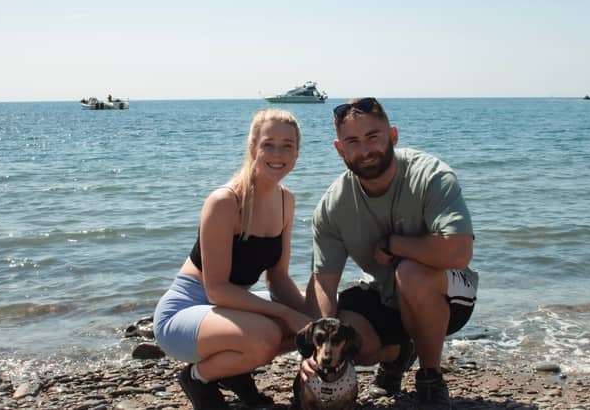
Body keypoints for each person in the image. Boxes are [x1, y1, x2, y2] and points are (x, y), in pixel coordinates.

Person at [304, 97, 478, 408]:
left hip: (447, 294)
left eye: (373, 137)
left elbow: (459, 251)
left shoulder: (430, 175)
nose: (365, 150)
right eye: (353, 141)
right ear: (340, 149)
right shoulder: (332, 206)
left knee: (410, 272)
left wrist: (395, 244)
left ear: (393, 136)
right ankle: (399, 354)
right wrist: (317, 347)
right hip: (384, 295)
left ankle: (430, 376)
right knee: (345, 335)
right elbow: (323, 283)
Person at [154, 109, 312, 410]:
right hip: (184, 312)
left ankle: (233, 370)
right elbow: (216, 290)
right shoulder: (225, 201)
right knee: (266, 335)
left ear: (297, 152)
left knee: (313, 321)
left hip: (231, 308)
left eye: (287, 146)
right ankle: (197, 378)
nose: (278, 154)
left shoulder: (285, 200)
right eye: (268, 144)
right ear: (253, 148)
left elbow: (278, 279)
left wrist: (312, 318)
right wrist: (285, 314)